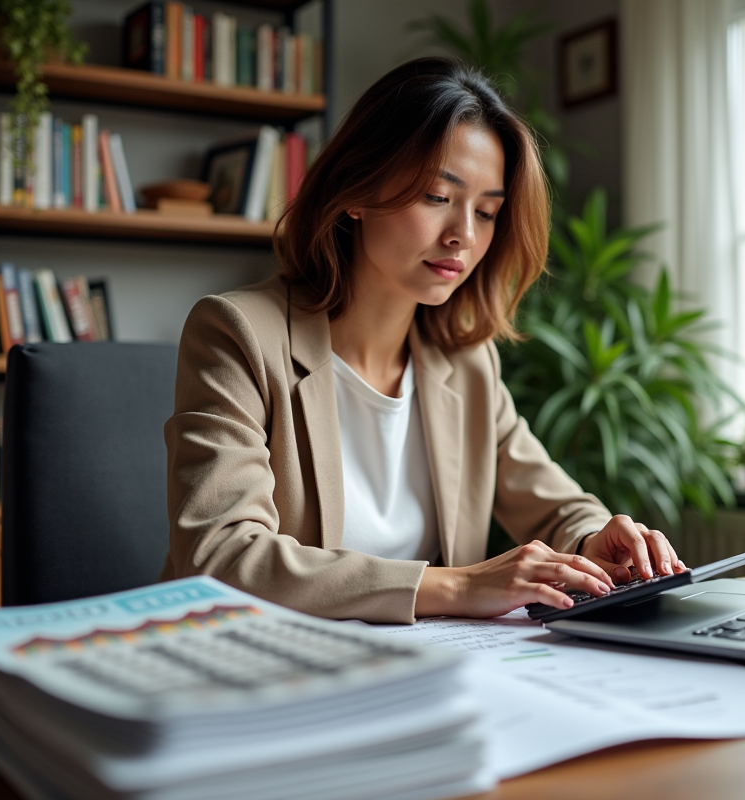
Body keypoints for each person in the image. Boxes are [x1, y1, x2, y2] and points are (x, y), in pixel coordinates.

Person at [161, 58, 685, 624]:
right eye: (438, 197)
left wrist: (593, 541)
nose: (463, 234)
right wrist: (457, 587)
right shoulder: (237, 332)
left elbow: (555, 505)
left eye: (486, 212)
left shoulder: (466, 363)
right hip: (259, 661)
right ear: (355, 191)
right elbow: (220, 555)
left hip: (421, 665)